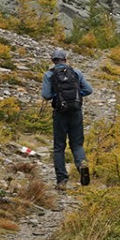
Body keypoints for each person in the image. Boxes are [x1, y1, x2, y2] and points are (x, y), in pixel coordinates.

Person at [40, 48, 94, 189]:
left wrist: (57, 96)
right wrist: (77, 95)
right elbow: (89, 90)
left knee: (59, 147)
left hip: (60, 113)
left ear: (53, 60)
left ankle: (62, 181)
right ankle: (81, 163)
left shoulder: (49, 74)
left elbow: (46, 95)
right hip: (76, 111)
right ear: (65, 59)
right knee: (77, 144)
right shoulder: (76, 72)